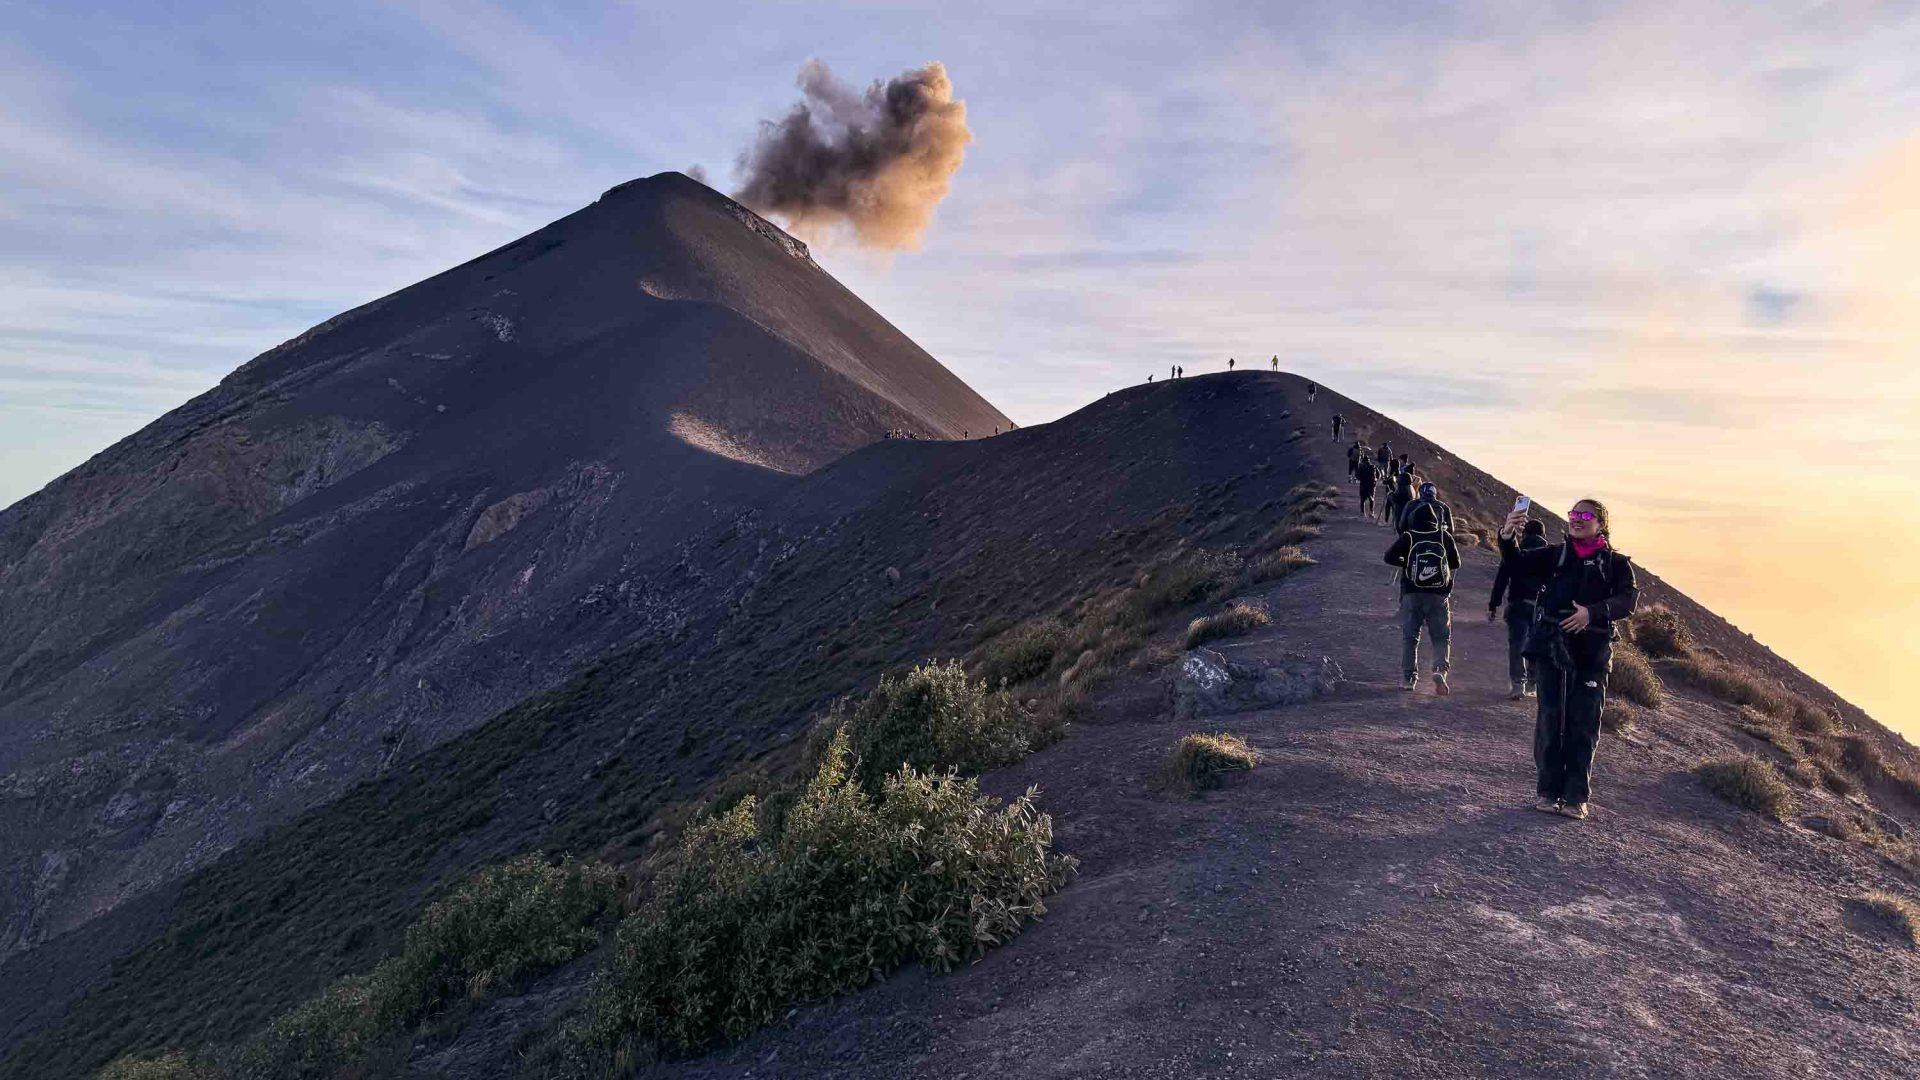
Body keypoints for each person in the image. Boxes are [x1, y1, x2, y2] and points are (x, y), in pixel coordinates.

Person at [1499, 499, 1639, 821]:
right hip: (1552, 646)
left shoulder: (1615, 563)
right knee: (1550, 718)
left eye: (1585, 515)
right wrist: (1507, 537)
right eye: (1573, 514)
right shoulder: (1556, 555)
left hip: (1593, 651)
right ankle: (1548, 792)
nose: (1576, 519)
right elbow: (1517, 566)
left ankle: (1576, 798)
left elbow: (1627, 600)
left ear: (1601, 523)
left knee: (1584, 722)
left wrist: (1592, 613)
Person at [1385, 501, 1460, 694]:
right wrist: (1446, 586)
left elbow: (1388, 557)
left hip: (1412, 593)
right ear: (1434, 520)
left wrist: (1406, 562)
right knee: (1441, 637)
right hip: (1438, 595)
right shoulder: (1444, 536)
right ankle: (1439, 670)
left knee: (1410, 638)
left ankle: (1409, 679)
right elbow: (1455, 563)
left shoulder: (1409, 537)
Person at [1489, 519, 1550, 699]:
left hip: (1517, 604)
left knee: (1517, 645)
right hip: (1539, 607)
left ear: (1525, 533)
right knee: (1535, 644)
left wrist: (1493, 605)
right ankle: (1533, 683)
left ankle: (1518, 685)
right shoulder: (1550, 554)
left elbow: (1501, 580)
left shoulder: (1515, 552)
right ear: (1543, 534)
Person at [1355, 452, 1379, 520]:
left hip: (1363, 484)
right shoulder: (1373, 466)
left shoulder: (1361, 467)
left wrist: (1361, 479)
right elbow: (1379, 475)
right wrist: (1375, 480)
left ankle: (1362, 513)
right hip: (1371, 485)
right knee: (1371, 499)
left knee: (1362, 500)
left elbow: (1357, 476)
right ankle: (1371, 512)